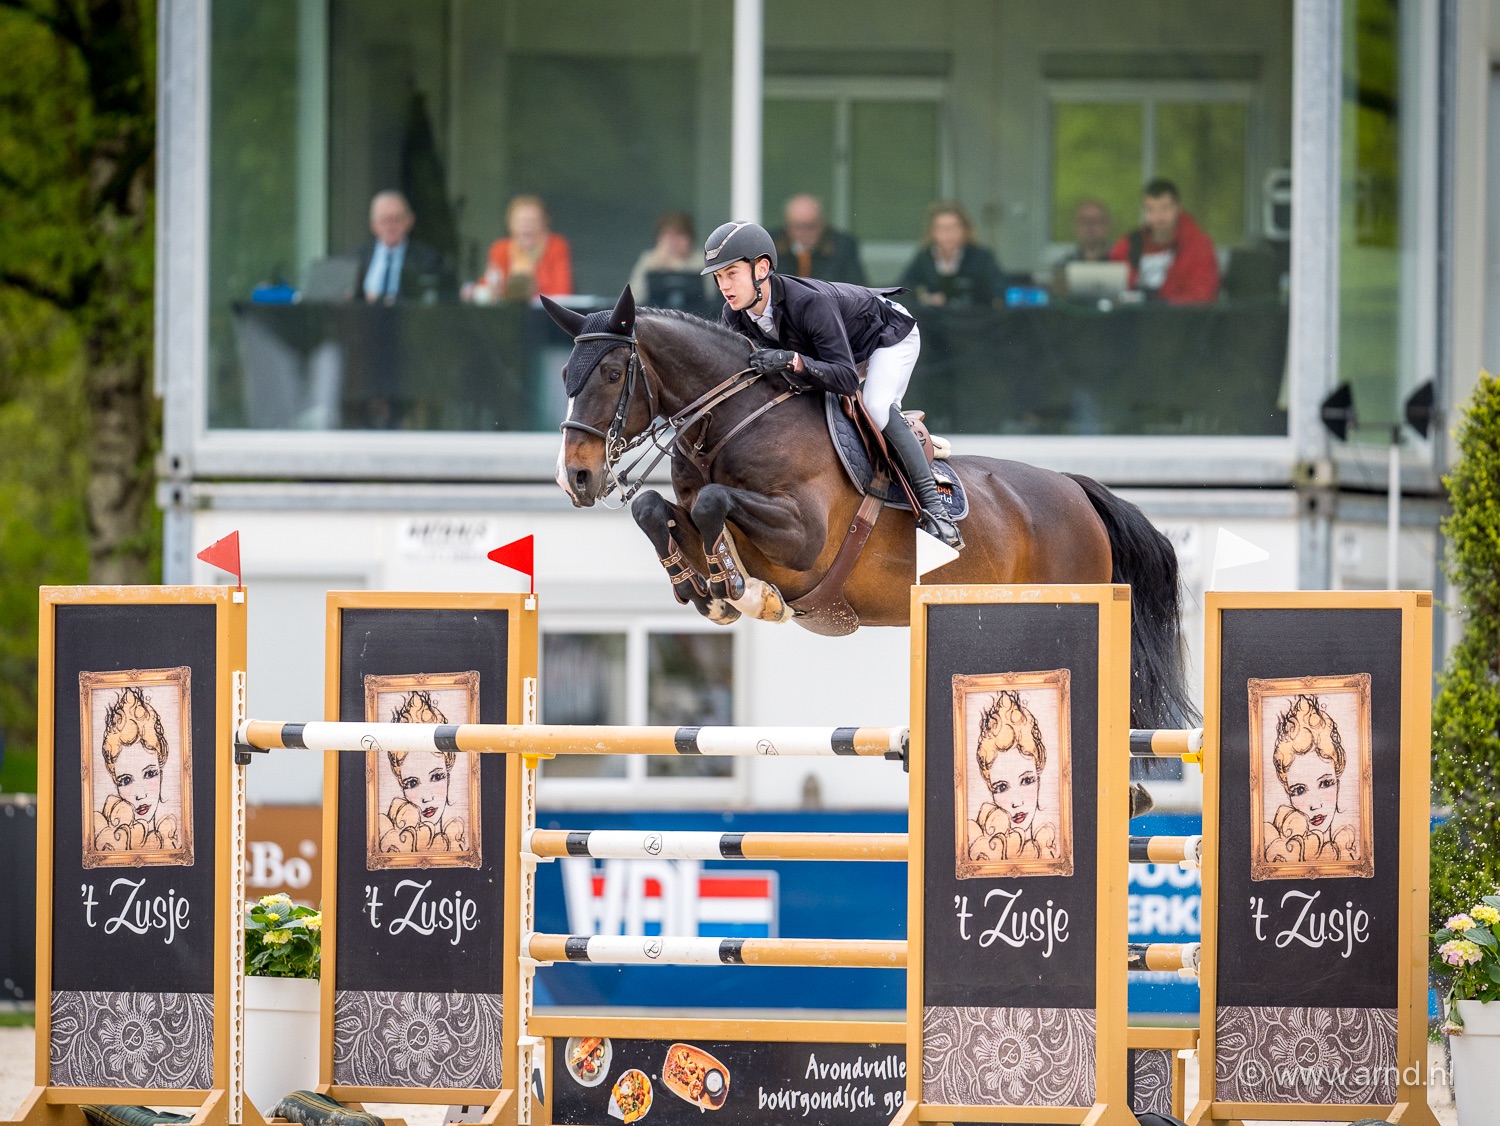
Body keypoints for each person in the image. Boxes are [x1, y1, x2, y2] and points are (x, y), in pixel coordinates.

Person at [701, 220, 962, 548]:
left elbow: (846, 379)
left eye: (731, 273)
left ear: (761, 268)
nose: (724, 285)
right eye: (718, 277)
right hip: (838, 352)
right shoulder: (734, 314)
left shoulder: (808, 303)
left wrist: (794, 362)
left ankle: (937, 512)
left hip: (885, 336)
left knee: (877, 407)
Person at [1262, 694, 1359, 866]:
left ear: (1338, 779)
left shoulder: (1349, 850)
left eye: (1325, 783)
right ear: (1287, 792)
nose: (1315, 805)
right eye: (1299, 790)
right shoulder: (1275, 851)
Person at [966, 691, 1059, 862]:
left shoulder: (1049, 848)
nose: (1017, 802)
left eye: (1027, 780)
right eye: (1001, 787)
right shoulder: (979, 849)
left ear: (1038, 775)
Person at [377, 691, 469, 855]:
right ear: (400, 783)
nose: (427, 798)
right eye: (412, 783)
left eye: (436, 777)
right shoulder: (390, 840)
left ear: (448, 771)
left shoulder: (458, 840)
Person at [94, 687, 181, 854]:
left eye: (150, 774)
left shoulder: (171, 839)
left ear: (161, 769)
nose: (140, 795)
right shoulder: (105, 839)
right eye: (126, 780)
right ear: (115, 781)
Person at [1108, 179, 1219, 304]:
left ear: (1178, 208)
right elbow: (1111, 286)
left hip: (1179, 314)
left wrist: (1164, 303)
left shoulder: (1198, 246)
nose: (1158, 216)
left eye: (1165, 208)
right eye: (1150, 209)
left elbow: (1202, 295)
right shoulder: (1129, 244)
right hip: (1134, 313)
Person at [353, 190, 456, 304]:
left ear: (410, 220)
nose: (391, 226)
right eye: (384, 220)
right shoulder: (355, 259)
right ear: (373, 225)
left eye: (397, 219)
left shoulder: (429, 259)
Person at [898, 202, 1006, 308]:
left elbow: (998, 291)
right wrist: (925, 298)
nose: (948, 234)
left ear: (964, 230)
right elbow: (902, 289)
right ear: (932, 232)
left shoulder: (981, 257)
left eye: (954, 227)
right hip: (935, 317)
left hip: (973, 316)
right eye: (941, 228)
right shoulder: (925, 258)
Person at [470, 194, 573, 301]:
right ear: (510, 224)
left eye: (533, 221)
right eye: (520, 221)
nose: (526, 226)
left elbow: (563, 293)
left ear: (544, 223)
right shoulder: (500, 249)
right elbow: (486, 287)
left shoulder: (557, 246)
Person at [771, 194, 867, 285]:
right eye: (797, 227)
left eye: (810, 226)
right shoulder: (772, 245)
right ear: (787, 226)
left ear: (822, 223)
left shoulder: (841, 246)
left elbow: (856, 287)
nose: (804, 232)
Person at [628, 211, 710, 300]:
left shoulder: (704, 260)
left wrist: (678, 267)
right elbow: (632, 298)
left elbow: (711, 295)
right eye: (666, 235)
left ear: (690, 238)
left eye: (678, 234)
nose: (672, 241)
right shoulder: (649, 259)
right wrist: (653, 266)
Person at [1063, 199, 1113, 264]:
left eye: (1095, 221)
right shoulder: (1064, 265)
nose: (1089, 226)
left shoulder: (1119, 262)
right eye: (1084, 221)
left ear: (1107, 225)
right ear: (1076, 226)